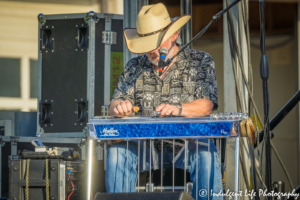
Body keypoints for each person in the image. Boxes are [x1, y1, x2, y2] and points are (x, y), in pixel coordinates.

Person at [106, 3, 221, 199]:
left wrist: (178, 109)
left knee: (206, 155)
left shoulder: (200, 61)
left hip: (186, 146)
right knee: (117, 153)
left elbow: (206, 104)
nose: (152, 50)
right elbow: (114, 104)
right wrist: (119, 107)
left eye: (157, 42)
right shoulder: (134, 66)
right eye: (148, 44)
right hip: (145, 149)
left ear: (174, 35)